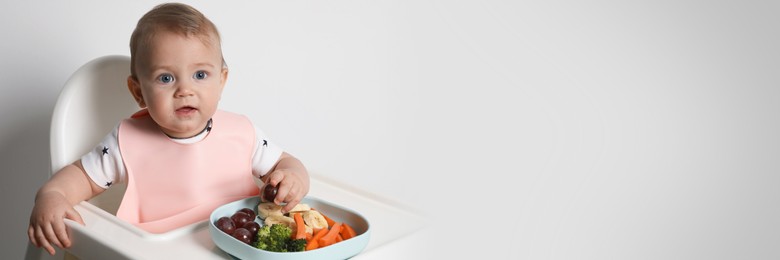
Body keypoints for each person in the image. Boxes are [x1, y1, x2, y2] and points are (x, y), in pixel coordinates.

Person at [28, 3, 310, 255]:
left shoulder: (242, 133)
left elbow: (283, 163)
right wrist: (53, 195)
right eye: (165, 78)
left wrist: (292, 176)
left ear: (221, 80)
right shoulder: (126, 141)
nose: (185, 90)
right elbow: (81, 176)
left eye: (200, 75)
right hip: (155, 251)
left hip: (238, 245)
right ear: (138, 92)